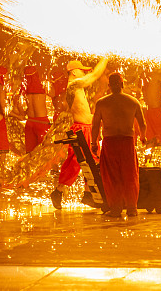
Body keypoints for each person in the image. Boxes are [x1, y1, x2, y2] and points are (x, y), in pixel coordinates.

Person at [50, 57, 108, 210]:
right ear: (74, 72)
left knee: (94, 161)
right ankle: (58, 191)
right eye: (82, 70)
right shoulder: (73, 85)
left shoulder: (77, 87)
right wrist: (106, 56)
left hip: (88, 129)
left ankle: (88, 194)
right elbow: (95, 75)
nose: (84, 73)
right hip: (80, 129)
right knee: (76, 162)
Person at [92, 73, 147, 218]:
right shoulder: (133, 102)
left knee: (111, 176)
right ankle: (132, 208)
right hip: (127, 142)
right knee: (130, 175)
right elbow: (143, 124)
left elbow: (95, 125)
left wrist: (94, 143)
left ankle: (116, 209)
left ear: (109, 86)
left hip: (110, 143)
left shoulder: (102, 103)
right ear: (123, 84)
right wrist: (143, 137)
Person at [14, 65, 52, 152]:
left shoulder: (25, 90)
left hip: (30, 122)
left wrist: (23, 113)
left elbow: (19, 105)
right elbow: (53, 94)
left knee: (30, 152)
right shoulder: (43, 87)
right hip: (42, 122)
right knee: (43, 152)